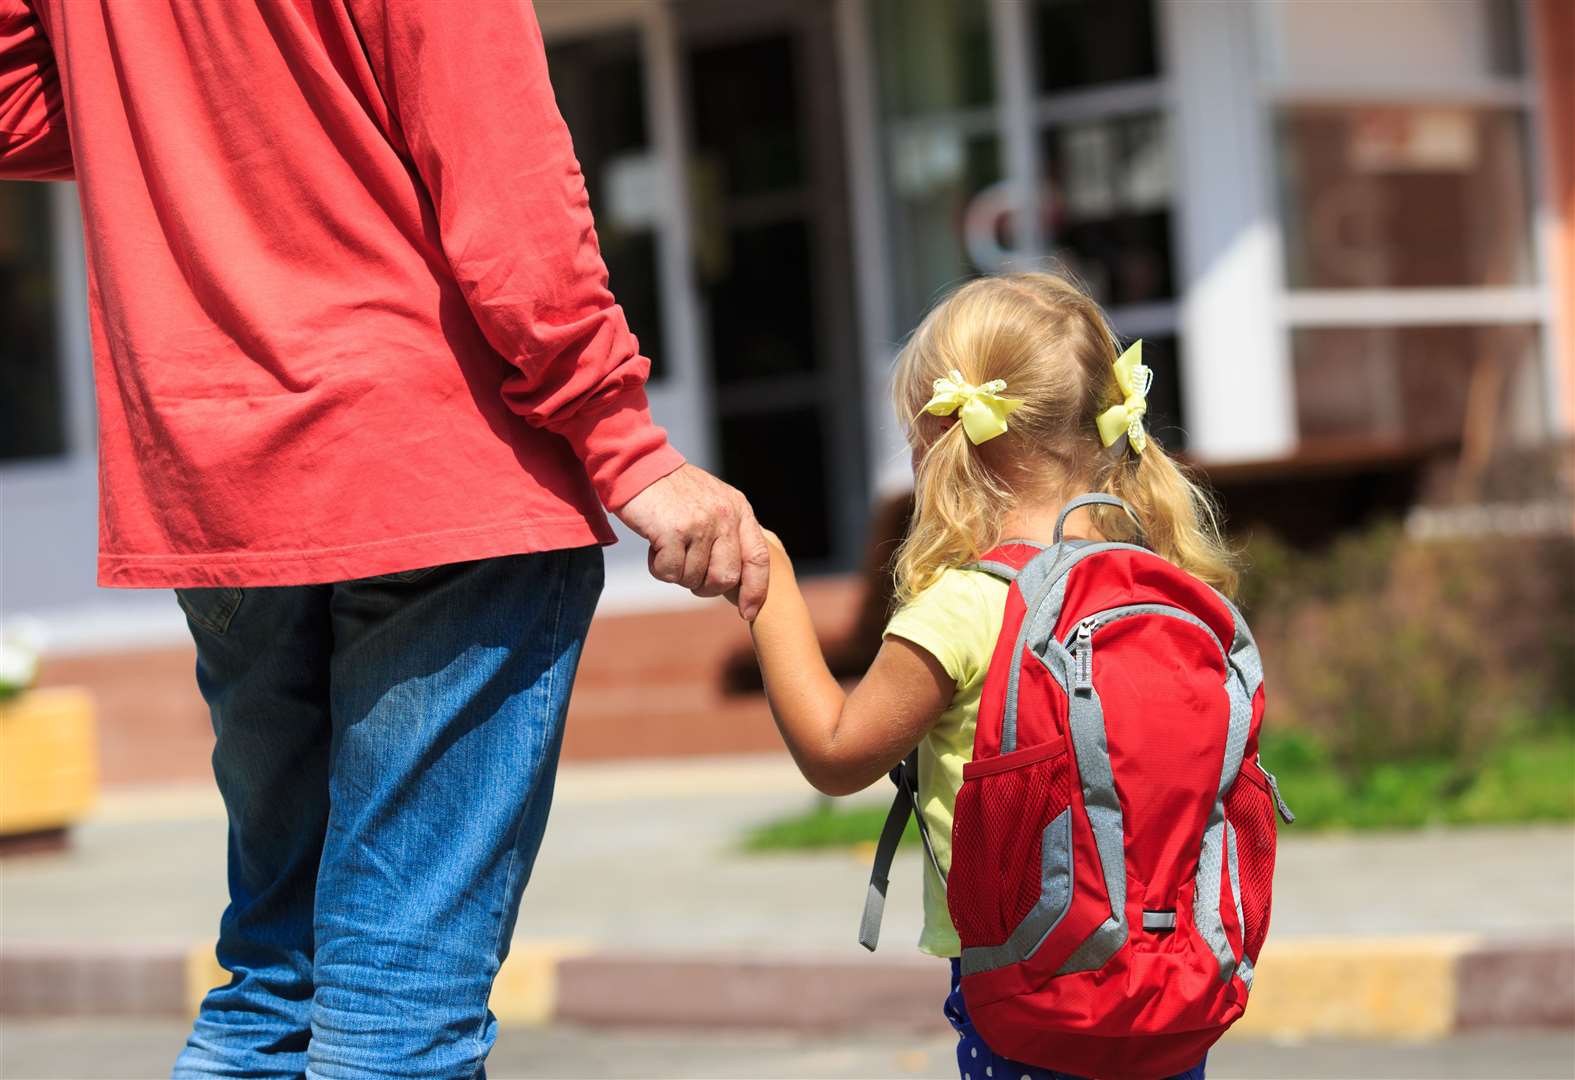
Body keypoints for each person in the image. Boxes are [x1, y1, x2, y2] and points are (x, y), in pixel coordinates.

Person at [1, 1, 766, 1075]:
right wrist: (619, 438)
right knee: (394, 1007)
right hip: (430, 470)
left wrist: (172, 109)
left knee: (278, 979)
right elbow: (503, 168)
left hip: (219, 480)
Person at [735, 272, 1233, 1080]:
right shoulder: (1159, 584)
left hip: (1028, 989)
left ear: (941, 437)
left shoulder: (969, 605)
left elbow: (835, 751)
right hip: (1168, 980)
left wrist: (769, 584)